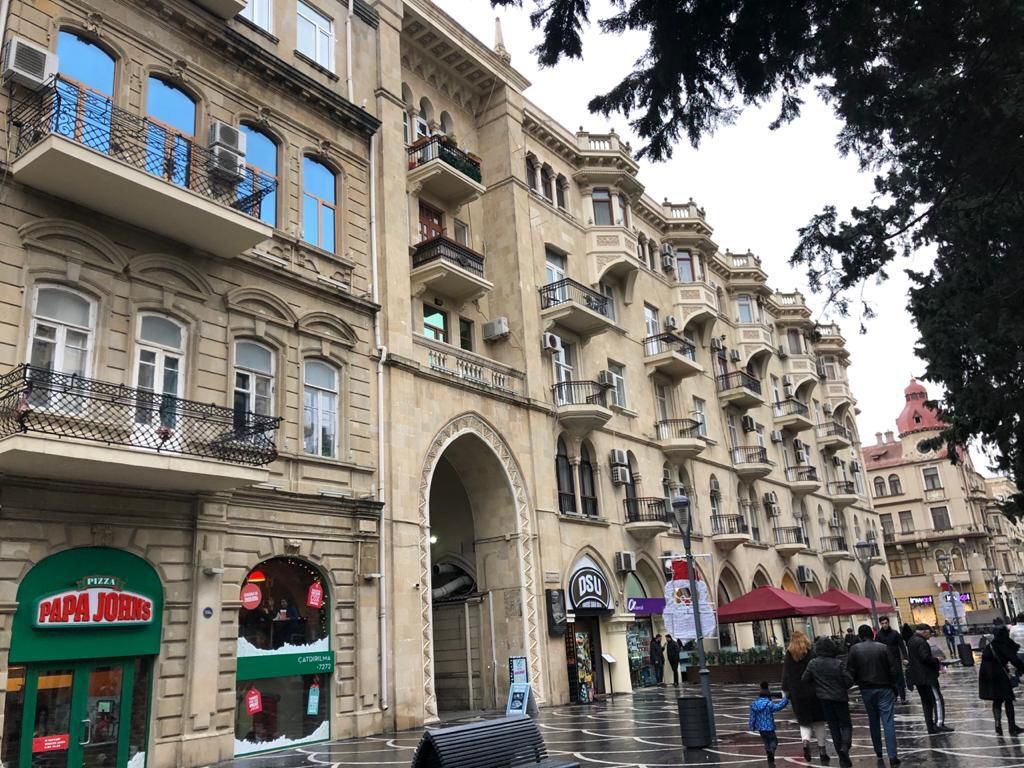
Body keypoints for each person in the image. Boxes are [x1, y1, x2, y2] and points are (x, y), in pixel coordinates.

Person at [846, 624, 900, 766]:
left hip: (866, 689)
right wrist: (893, 684)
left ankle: (878, 750)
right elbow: (894, 669)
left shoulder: (854, 649)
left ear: (860, 636)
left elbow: (850, 670)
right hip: (885, 687)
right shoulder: (883, 648)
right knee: (888, 721)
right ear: (872, 634)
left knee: (873, 720)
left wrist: (854, 682)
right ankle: (893, 755)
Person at [802, 637, 854, 767]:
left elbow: (805, 678)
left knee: (833, 727)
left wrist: (817, 684)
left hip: (824, 699)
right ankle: (845, 747)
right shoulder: (838, 663)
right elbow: (849, 681)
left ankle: (841, 756)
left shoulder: (813, 663)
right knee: (846, 725)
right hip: (840, 698)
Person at [782, 630, 830, 763]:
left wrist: (785, 691)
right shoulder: (811, 654)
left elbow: (786, 675)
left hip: (797, 694)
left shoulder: (789, 656)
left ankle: (805, 742)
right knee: (819, 722)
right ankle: (822, 751)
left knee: (804, 722)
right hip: (814, 693)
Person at [979, 624, 1024, 735]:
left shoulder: (990, 645)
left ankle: (997, 725)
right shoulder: (1003, 644)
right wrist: (1021, 668)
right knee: (1008, 700)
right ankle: (1012, 727)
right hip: (1000, 674)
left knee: (997, 700)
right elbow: (1014, 659)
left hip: (987, 675)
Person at [908, 623, 952, 734]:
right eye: (929, 633)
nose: (930, 636)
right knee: (937, 700)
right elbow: (925, 657)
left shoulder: (911, 641)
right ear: (924, 632)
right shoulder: (921, 642)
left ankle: (930, 726)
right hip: (927, 676)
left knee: (926, 702)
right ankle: (939, 724)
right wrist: (937, 660)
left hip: (918, 677)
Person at [748, 681, 789, 766]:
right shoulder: (769, 704)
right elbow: (778, 707)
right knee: (774, 741)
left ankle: (770, 758)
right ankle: (771, 752)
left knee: (766, 742)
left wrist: (752, 726)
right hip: (769, 727)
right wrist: (785, 699)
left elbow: (752, 716)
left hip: (760, 728)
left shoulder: (754, 704)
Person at [876, 616, 910, 704]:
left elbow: (902, 646)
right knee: (889, 679)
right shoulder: (879, 635)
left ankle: (902, 697)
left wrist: (905, 657)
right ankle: (894, 696)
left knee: (900, 678)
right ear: (880, 624)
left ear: (888, 623)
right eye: (882, 623)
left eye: (886, 623)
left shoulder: (895, 633)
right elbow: (877, 648)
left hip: (896, 659)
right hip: (885, 660)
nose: (884, 625)